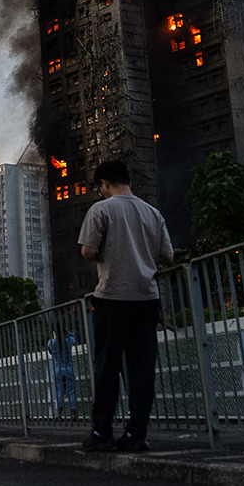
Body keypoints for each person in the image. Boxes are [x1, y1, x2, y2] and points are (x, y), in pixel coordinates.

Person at [78, 160, 174, 452]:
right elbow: (168, 256)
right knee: (142, 368)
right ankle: (136, 434)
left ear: (105, 183)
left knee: (107, 366)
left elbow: (88, 250)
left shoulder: (101, 209)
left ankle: (102, 431)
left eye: (101, 187)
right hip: (147, 298)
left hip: (112, 298)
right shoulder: (152, 212)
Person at [47, 327, 78, 421]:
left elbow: (50, 352)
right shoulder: (69, 341)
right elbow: (74, 338)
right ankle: (74, 414)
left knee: (59, 392)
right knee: (71, 392)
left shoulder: (51, 342)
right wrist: (68, 332)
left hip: (58, 370)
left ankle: (59, 415)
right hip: (69, 369)